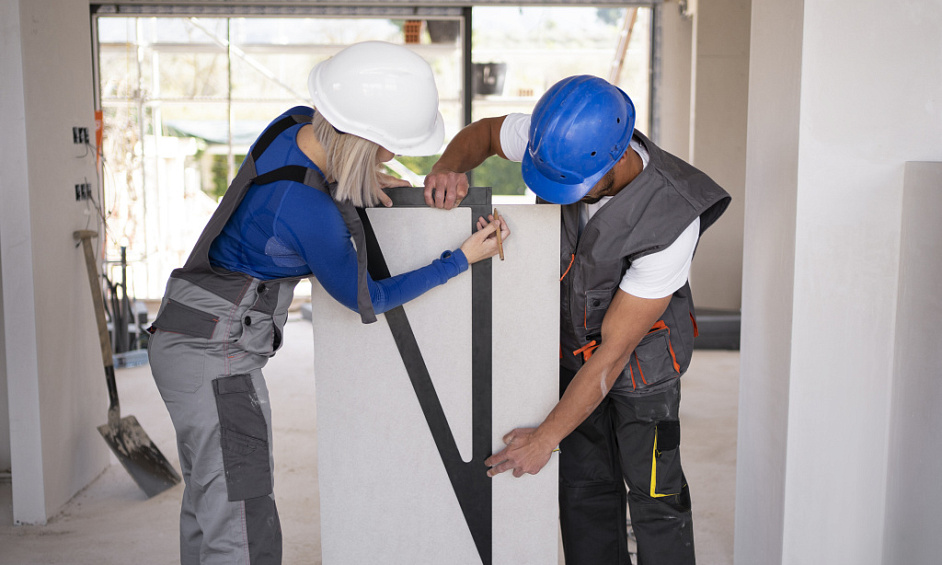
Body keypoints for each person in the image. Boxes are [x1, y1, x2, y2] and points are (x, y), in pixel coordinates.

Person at [147, 41, 509, 565]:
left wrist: (355, 174)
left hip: (184, 332)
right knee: (243, 521)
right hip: (215, 357)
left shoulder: (292, 123)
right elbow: (370, 298)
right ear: (363, 139)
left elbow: (308, 172)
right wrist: (460, 259)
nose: (393, 159)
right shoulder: (308, 211)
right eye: (386, 149)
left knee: (212, 503)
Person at [424, 75, 730, 565]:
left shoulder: (674, 215)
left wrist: (545, 437)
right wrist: (447, 167)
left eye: (575, 188)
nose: (564, 194)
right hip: (570, 349)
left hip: (642, 367)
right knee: (584, 490)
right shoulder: (558, 139)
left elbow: (614, 352)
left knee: (654, 495)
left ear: (617, 159)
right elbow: (483, 134)